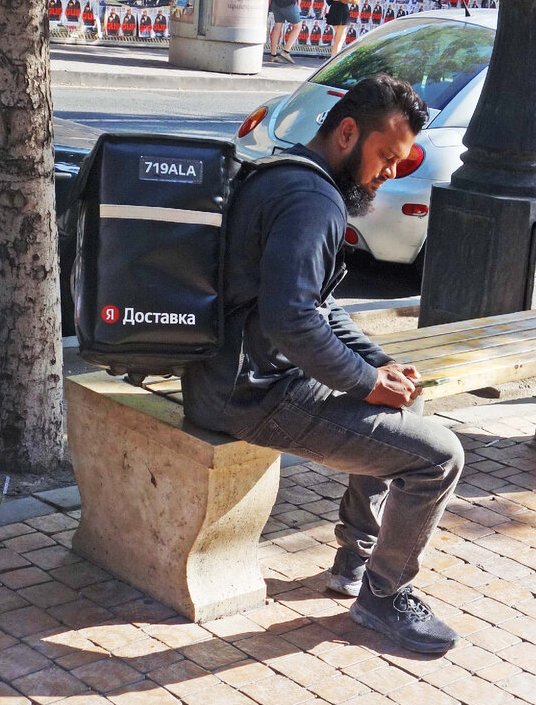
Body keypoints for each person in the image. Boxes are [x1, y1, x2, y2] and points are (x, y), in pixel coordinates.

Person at [182, 75, 464, 655]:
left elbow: (318, 307)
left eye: (400, 161)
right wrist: (365, 383)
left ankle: (353, 561)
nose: (389, 173)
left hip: (231, 379)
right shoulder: (313, 202)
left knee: (402, 408)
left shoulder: (281, 176)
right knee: (439, 458)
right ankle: (383, 597)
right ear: (347, 133)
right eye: (385, 157)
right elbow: (294, 321)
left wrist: (378, 365)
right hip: (255, 398)